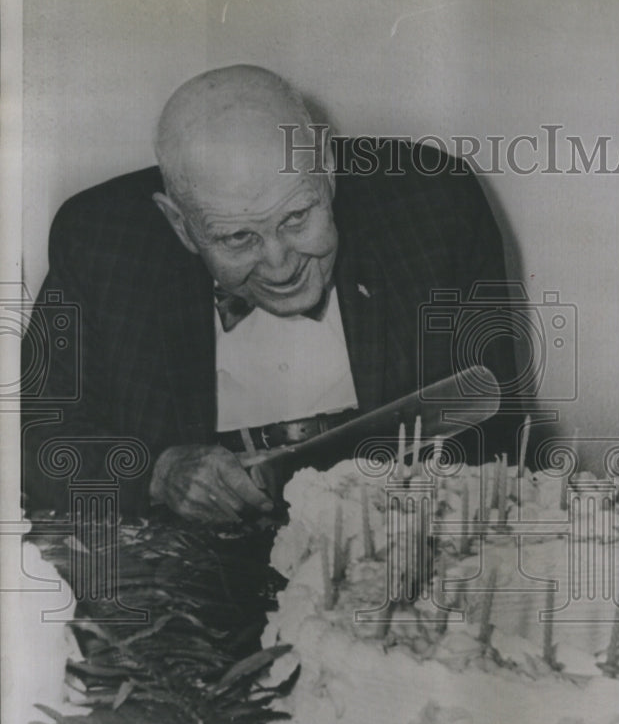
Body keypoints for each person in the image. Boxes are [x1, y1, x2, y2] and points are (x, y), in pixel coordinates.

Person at [21, 65, 519, 525]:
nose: (281, 266)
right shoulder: (101, 243)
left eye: (297, 217)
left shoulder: (434, 209)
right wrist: (157, 473)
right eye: (239, 238)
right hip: (189, 561)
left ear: (325, 168)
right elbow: (30, 439)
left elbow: (488, 424)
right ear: (181, 225)